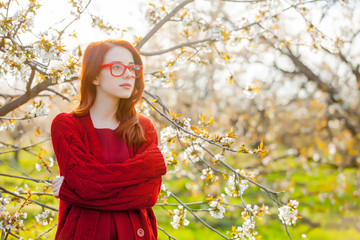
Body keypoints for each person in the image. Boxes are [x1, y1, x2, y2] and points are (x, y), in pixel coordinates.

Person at [50, 39, 167, 240]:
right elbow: (87, 185)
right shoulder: (67, 126)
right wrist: (146, 167)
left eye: (133, 68)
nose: (129, 74)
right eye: (117, 67)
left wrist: (69, 192)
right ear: (95, 76)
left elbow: (148, 194)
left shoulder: (143, 128)